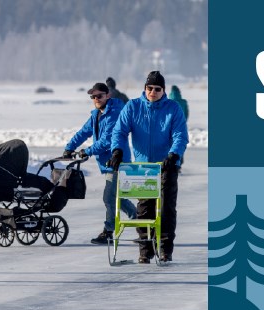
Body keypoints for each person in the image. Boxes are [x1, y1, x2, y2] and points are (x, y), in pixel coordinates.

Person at [110, 71, 188, 263]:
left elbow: (180, 135)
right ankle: (145, 249)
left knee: (166, 208)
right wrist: (117, 150)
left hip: (166, 166)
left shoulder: (173, 109)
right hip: (143, 167)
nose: (153, 92)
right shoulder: (133, 107)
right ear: (145, 88)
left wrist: (173, 154)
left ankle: (165, 249)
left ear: (164, 90)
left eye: (157, 89)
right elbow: (119, 132)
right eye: (149, 88)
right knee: (144, 208)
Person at [64, 82, 136, 245]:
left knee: (109, 198)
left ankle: (108, 231)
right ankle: (141, 223)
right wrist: (69, 147)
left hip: (118, 161)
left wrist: (87, 151)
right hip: (107, 163)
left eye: (99, 96)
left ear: (108, 95)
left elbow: (107, 140)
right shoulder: (96, 114)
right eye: (93, 96)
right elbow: (83, 132)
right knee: (119, 197)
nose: (96, 99)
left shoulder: (115, 113)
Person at [170, 85, 190, 167]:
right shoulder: (183, 102)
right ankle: (179, 163)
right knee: (180, 144)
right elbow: (186, 113)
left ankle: (170, 163)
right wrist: (183, 122)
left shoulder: (169, 101)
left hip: (170, 126)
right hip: (181, 125)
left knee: (171, 144)